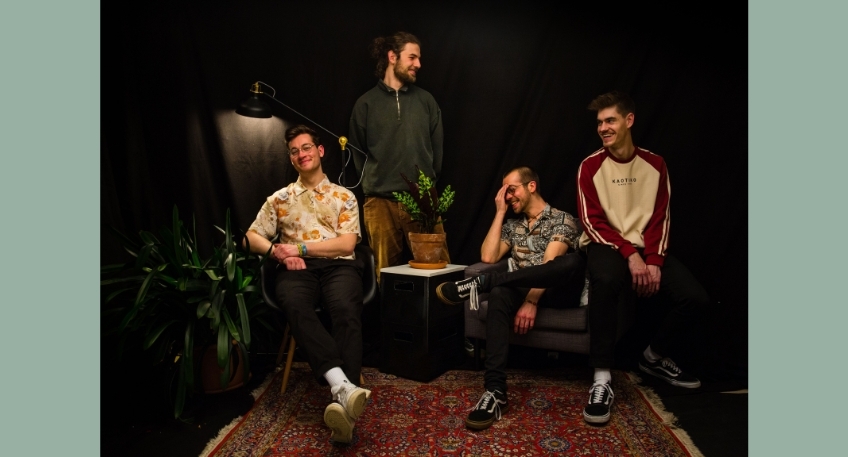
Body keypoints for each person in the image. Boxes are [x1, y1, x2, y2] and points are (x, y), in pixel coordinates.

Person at [577, 91, 710, 425]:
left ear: (629, 120)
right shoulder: (590, 166)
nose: (603, 128)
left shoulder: (655, 164)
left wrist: (653, 260)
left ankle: (652, 357)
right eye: (599, 122)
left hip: (645, 246)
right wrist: (629, 255)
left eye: (610, 120)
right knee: (606, 279)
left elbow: (660, 218)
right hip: (607, 244)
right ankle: (602, 377)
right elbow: (592, 222)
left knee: (694, 298)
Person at [244, 124, 370, 444]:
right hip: (297, 270)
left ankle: (344, 408)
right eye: (294, 151)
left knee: (345, 309)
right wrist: (277, 251)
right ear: (291, 158)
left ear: (320, 150)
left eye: (306, 147)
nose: (301, 154)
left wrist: (299, 248)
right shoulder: (280, 198)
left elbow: (347, 244)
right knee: (294, 304)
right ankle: (343, 387)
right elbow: (250, 237)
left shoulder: (344, 196)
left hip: (339, 266)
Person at [435, 166, 586, 430]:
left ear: (531, 186)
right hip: (518, 286)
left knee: (569, 262)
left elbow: (549, 268)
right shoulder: (513, 226)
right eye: (504, 191)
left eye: (511, 189)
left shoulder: (562, 219)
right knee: (498, 294)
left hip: (555, 290)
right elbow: (488, 256)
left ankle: (485, 282)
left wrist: (531, 301)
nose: (507, 196)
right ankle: (495, 391)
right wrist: (500, 213)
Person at [348, 31, 449, 284]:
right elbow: (357, 151)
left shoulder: (426, 101)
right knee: (386, 276)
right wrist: (374, 183)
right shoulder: (365, 104)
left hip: (423, 200)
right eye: (412, 57)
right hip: (380, 203)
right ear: (392, 57)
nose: (418, 64)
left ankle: (437, 313)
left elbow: (437, 150)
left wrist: (427, 186)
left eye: (419, 58)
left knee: (437, 272)